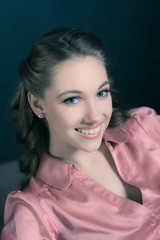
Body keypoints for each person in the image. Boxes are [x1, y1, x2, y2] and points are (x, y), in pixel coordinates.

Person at [1, 27, 160, 240]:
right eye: (72, 99)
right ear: (38, 105)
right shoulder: (35, 213)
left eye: (101, 93)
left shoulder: (145, 125)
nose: (94, 116)